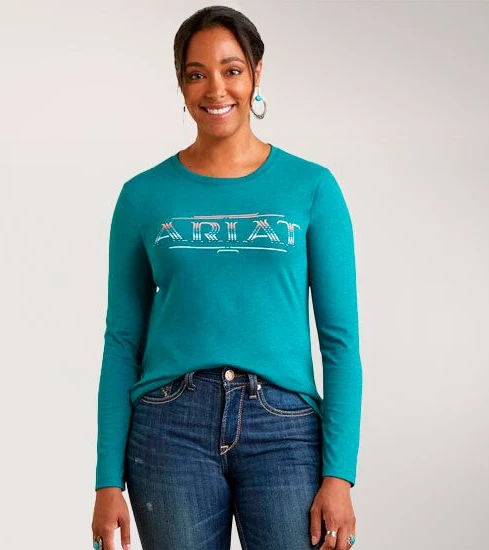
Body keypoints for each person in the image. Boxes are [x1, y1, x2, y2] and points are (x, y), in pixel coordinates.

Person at [91, 5, 362, 550]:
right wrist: (106, 482)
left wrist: (340, 474)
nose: (216, 88)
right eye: (197, 73)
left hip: (285, 430)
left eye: (231, 69)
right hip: (169, 429)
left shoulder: (312, 187)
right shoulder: (143, 196)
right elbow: (122, 340)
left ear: (257, 73)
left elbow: (340, 341)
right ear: (181, 83)